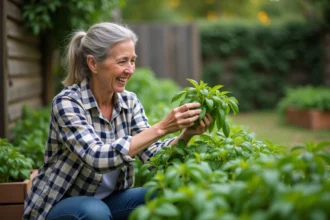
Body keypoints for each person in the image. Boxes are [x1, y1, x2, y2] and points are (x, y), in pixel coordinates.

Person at [23, 22, 213, 220]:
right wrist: (162, 127)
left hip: (108, 202)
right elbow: (96, 157)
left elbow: (154, 157)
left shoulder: (128, 102)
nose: (130, 70)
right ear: (93, 64)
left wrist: (186, 135)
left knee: (166, 195)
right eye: (122, 62)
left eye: (132, 61)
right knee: (94, 211)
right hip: (61, 206)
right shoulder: (67, 103)